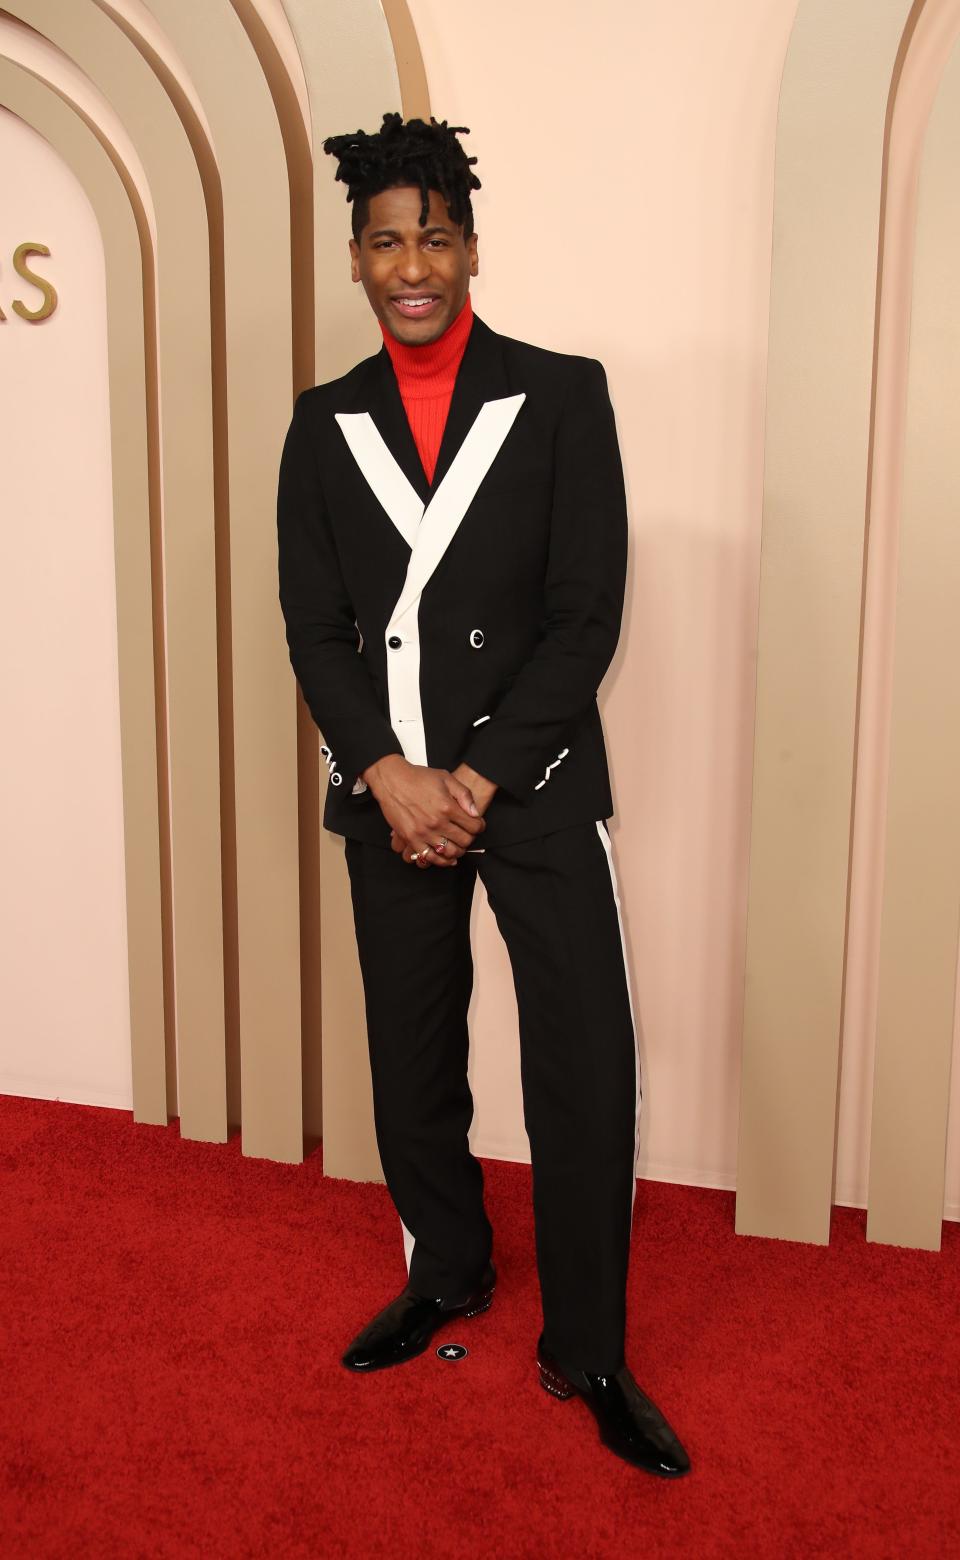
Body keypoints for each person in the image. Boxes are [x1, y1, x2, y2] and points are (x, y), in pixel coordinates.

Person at [276, 112, 690, 1478]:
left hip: (535, 781)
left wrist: (478, 775)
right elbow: (313, 627)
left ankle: (588, 1346)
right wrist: (389, 775)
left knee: (586, 1067)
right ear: (354, 257)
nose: (414, 264)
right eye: (387, 240)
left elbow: (587, 614)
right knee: (413, 1053)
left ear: (470, 248)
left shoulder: (562, 394)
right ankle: (446, 1270)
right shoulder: (321, 423)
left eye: (436, 237)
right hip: (388, 792)